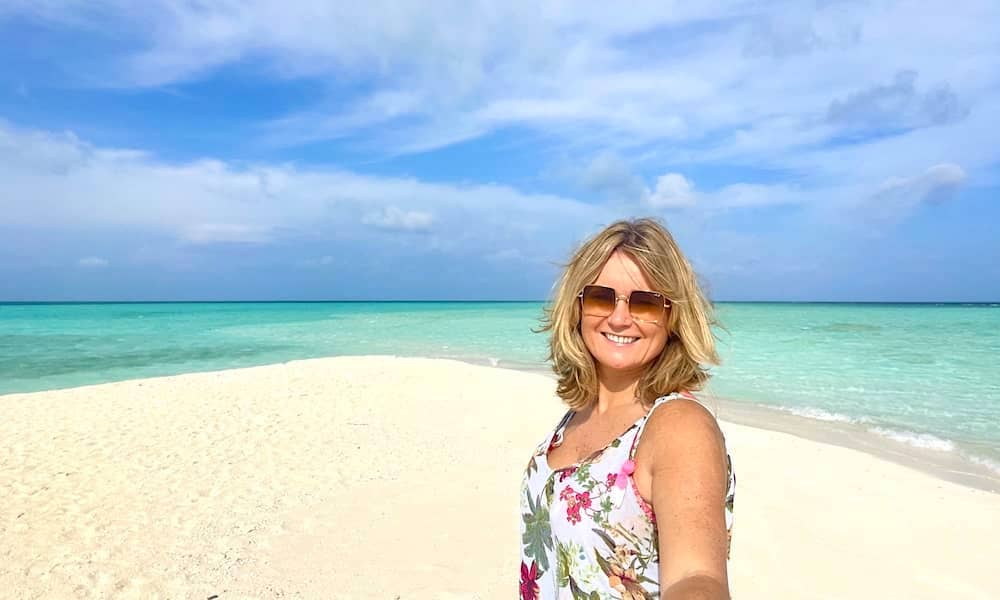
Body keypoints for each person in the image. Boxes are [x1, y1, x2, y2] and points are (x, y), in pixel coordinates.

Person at [520, 218, 736, 600]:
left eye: (646, 303)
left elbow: (697, 576)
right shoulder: (577, 416)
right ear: (578, 306)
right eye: (603, 297)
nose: (620, 318)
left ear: (672, 317)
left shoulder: (677, 426)